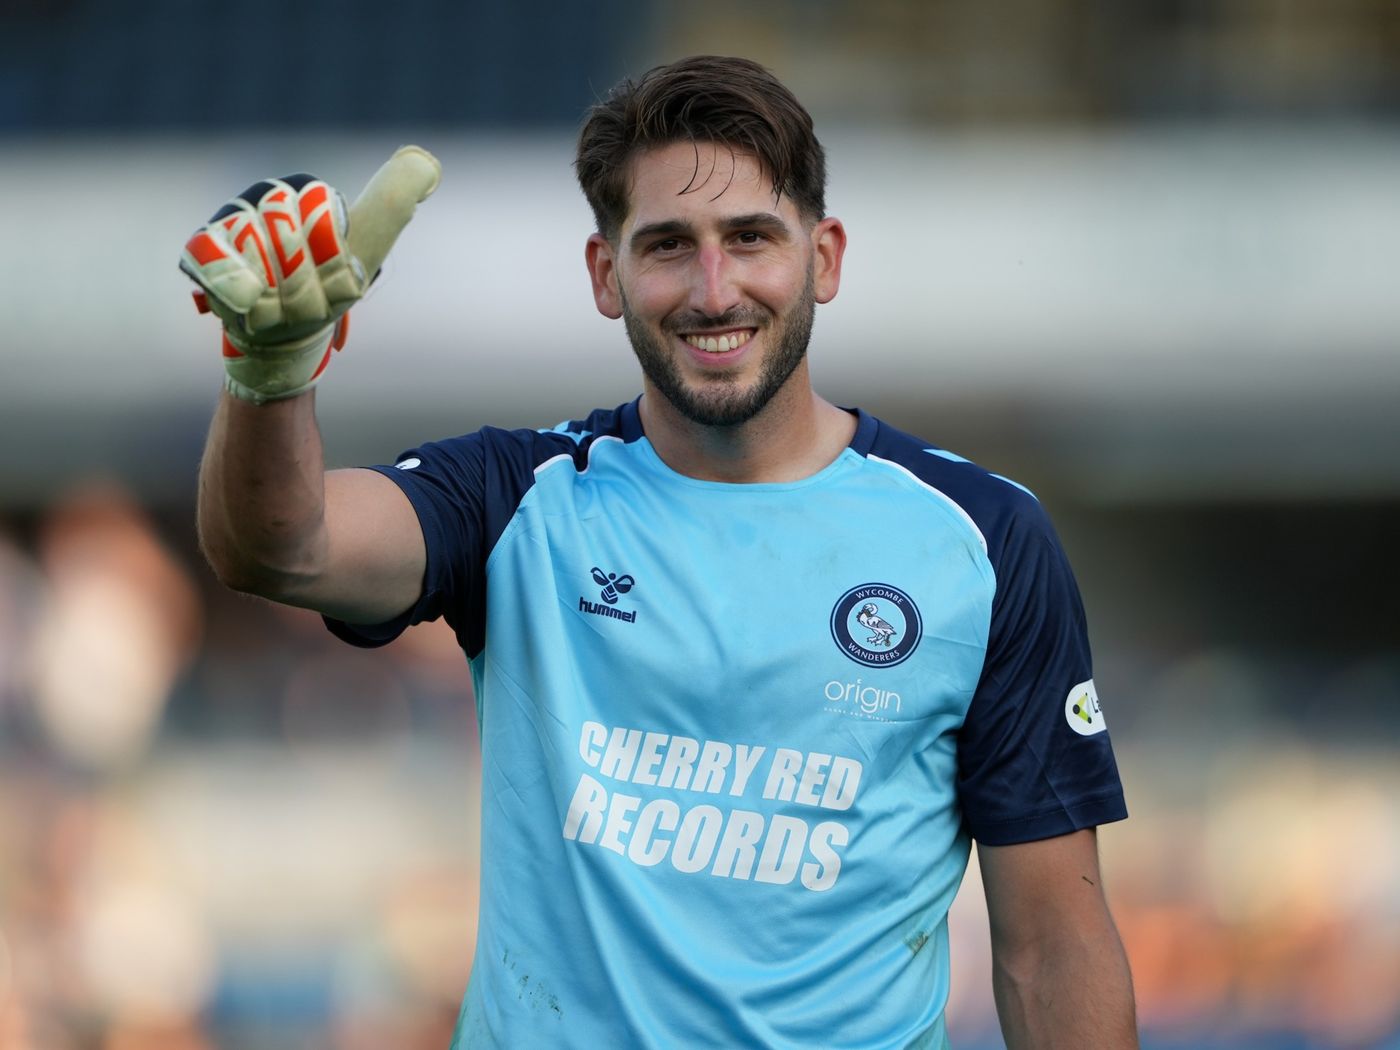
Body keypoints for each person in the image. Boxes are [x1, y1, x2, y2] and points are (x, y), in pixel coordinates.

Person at [185, 55, 1137, 1050]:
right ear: (607, 275)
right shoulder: (520, 499)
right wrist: (270, 378)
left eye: (750, 238)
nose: (714, 291)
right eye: (669, 246)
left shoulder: (982, 539)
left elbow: (1052, 948)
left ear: (824, 258)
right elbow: (281, 549)